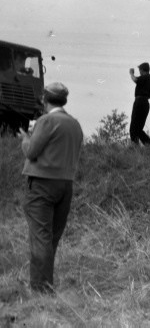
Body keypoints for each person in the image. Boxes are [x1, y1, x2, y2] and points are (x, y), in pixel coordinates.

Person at [19, 82, 83, 293]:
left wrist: (25, 139)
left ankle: (40, 289)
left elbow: (31, 152)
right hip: (65, 185)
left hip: (41, 185)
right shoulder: (75, 124)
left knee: (40, 237)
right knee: (51, 237)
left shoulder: (46, 121)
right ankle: (45, 284)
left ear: (44, 100)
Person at [129, 62, 150, 145]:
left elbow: (135, 79)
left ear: (142, 70)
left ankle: (134, 146)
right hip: (145, 103)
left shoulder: (144, 77)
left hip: (139, 102)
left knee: (133, 127)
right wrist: (147, 97)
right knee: (139, 128)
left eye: (139, 70)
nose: (139, 71)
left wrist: (131, 73)